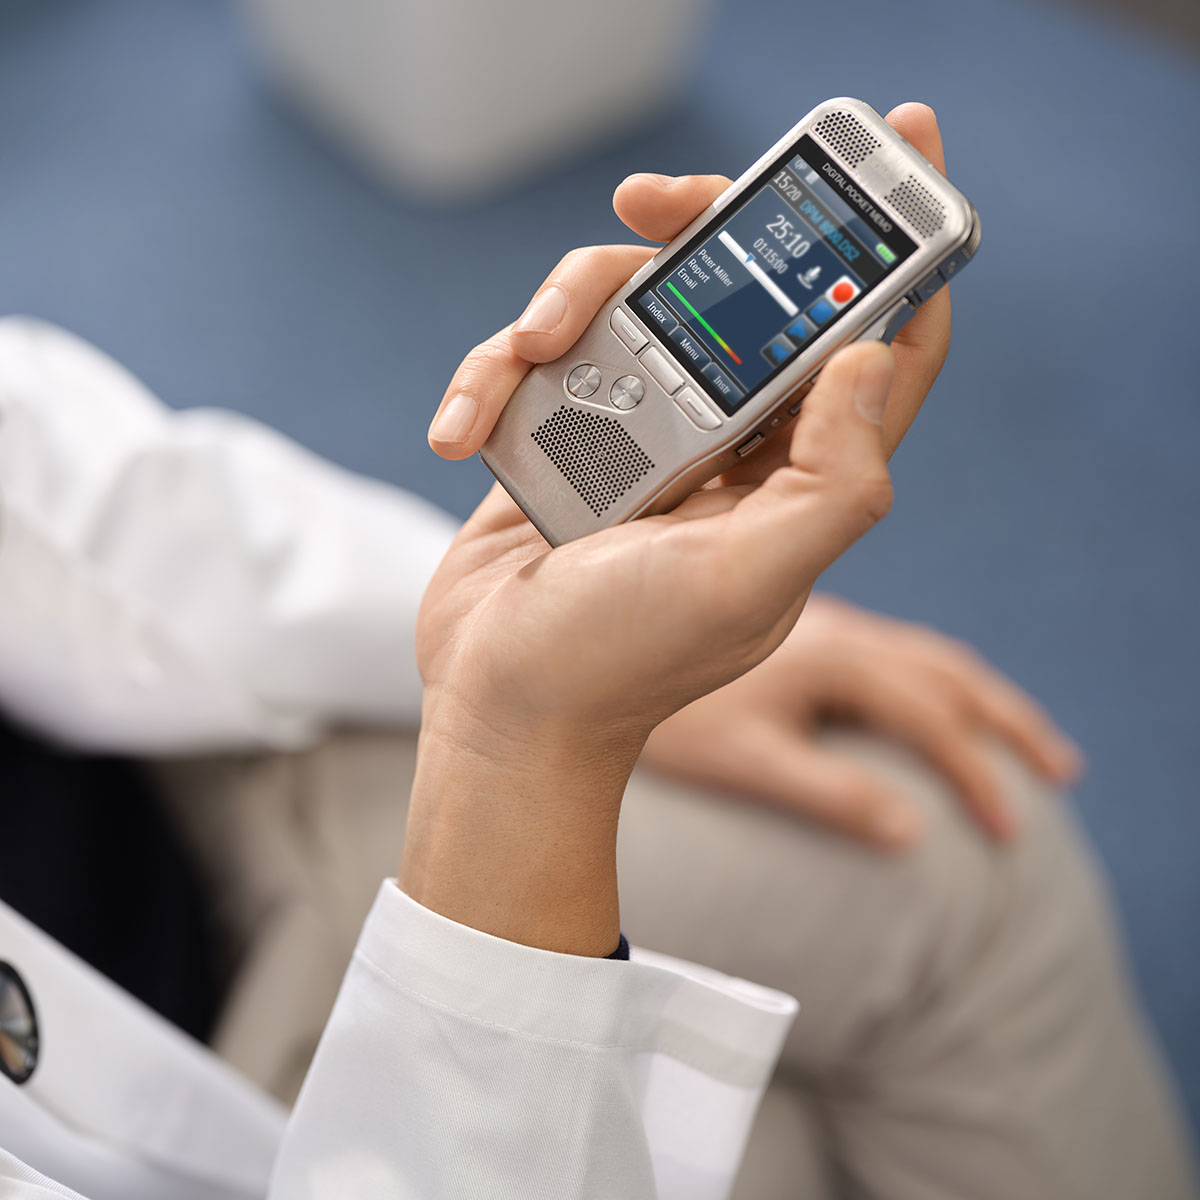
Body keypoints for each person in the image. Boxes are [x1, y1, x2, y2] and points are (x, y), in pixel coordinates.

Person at [1, 104, 1196, 1199]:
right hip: (242, 1101)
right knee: (772, 1149)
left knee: (963, 848)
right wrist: (526, 735)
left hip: (194, 785)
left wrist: (526, 628)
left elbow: (76, 485)